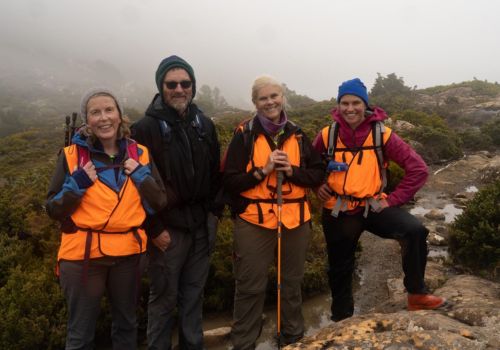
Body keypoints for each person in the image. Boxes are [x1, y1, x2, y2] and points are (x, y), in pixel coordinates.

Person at [313, 78, 446, 322]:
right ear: (338, 105)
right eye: (345, 103)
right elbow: (308, 165)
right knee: (340, 268)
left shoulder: (382, 135)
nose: (350, 108)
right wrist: (317, 184)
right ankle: (342, 319)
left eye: (356, 102)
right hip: (338, 210)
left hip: (373, 206)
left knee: (414, 231)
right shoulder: (327, 134)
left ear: (365, 104)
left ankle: (416, 294)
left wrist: (393, 199)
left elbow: (418, 169)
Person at [46, 88, 167, 349]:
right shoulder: (70, 157)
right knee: (80, 333)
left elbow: (159, 201)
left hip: (129, 253)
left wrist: (142, 177)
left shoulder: (140, 154)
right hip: (82, 256)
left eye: (109, 110)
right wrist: (76, 185)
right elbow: (53, 209)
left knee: (127, 325)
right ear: (86, 120)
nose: (103, 118)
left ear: (120, 115)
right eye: (95, 112)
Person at [223, 75, 324, 348]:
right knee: (249, 286)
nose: (270, 102)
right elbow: (230, 181)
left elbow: (316, 175)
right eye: (263, 98)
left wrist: (291, 172)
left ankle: (292, 338)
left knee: (291, 284)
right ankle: (244, 343)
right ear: (255, 102)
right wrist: (263, 171)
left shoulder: (299, 134)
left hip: (295, 221)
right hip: (253, 221)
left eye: (274, 96)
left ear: (283, 97)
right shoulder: (244, 135)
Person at [131, 55, 221, 350]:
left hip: (200, 227)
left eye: (186, 83)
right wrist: (154, 228)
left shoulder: (204, 124)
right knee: (164, 299)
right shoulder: (144, 129)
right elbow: (136, 187)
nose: (179, 89)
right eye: (172, 84)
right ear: (161, 86)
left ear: (193, 86)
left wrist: (214, 215)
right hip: (167, 230)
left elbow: (214, 173)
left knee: (193, 296)